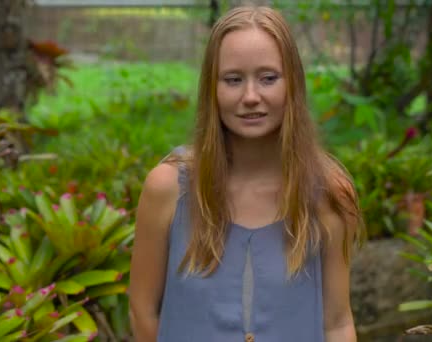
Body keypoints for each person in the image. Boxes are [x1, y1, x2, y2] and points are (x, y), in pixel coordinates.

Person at [129, 5, 365, 342]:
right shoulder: (168, 189)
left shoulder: (329, 193)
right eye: (233, 79)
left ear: (293, 84)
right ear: (212, 88)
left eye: (268, 78)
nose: (250, 97)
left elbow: (338, 322)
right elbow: (143, 311)